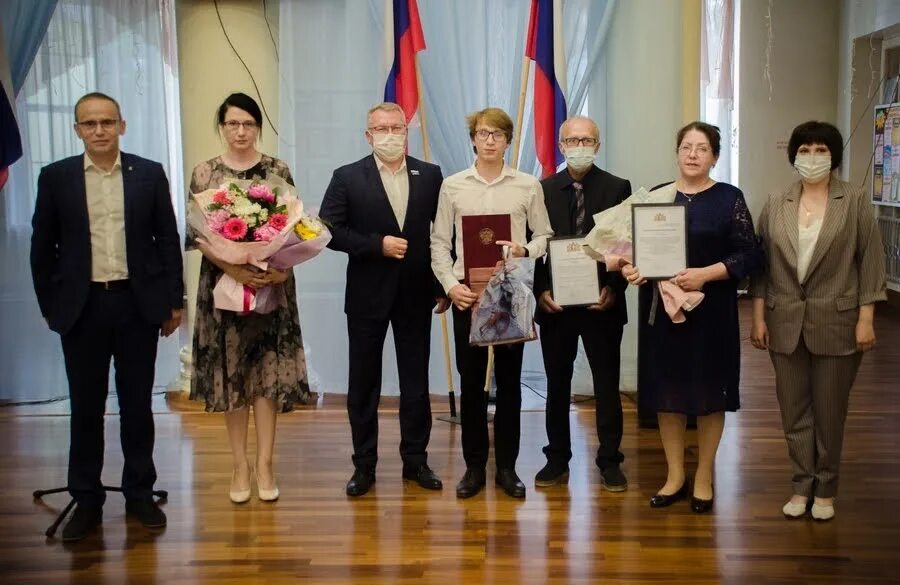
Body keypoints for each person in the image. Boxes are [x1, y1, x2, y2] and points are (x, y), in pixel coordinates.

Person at [30, 92, 183, 541]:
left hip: (137, 306)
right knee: (86, 407)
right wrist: (52, 307)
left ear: (122, 125)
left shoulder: (148, 174)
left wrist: (174, 301)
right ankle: (87, 498)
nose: (99, 131)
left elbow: (166, 240)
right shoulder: (56, 177)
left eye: (107, 122)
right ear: (78, 129)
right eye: (89, 124)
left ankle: (139, 493)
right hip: (83, 309)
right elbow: (42, 250)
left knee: (138, 405)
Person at [622, 121, 762, 513]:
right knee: (668, 395)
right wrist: (634, 269)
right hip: (662, 312)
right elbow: (631, 250)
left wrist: (706, 273)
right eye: (686, 146)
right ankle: (674, 476)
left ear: (714, 156)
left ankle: (703, 476)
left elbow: (750, 254)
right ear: (677, 152)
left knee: (709, 394)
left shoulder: (728, 198)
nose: (693, 154)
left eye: (702, 148)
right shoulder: (657, 197)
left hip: (710, 311)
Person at [749, 121, 886, 521]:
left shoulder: (856, 200)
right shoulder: (776, 202)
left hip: (839, 321)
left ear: (834, 156)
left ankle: (825, 488)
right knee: (793, 411)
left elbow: (871, 261)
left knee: (830, 411)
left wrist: (866, 318)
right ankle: (800, 483)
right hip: (783, 320)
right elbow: (762, 267)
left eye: (821, 150)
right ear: (793, 156)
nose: (812, 157)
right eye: (805, 150)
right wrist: (758, 317)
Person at [188, 92, 311, 504]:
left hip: (270, 282)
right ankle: (239, 465)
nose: (240, 132)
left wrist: (277, 267)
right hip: (224, 286)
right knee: (233, 375)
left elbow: (294, 226)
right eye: (232, 124)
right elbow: (198, 234)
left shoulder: (276, 169)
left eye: (248, 124)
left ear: (258, 127)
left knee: (265, 375)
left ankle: (265, 463)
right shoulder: (205, 173)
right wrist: (234, 267)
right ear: (222, 127)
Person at [319, 102, 444, 496]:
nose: (390, 135)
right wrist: (377, 245)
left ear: (407, 133)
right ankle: (364, 465)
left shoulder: (430, 175)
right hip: (367, 297)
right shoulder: (347, 177)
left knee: (416, 383)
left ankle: (416, 462)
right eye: (381, 129)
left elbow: (442, 236)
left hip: (416, 295)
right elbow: (329, 231)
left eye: (397, 128)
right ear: (367, 135)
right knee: (364, 385)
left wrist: (442, 285)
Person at [431, 107, 553, 499]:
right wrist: (450, 285)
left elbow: (545, 236)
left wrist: (523, 248)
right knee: (471, 386)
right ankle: (472, 468)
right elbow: (439, 244)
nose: (489, 140)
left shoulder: (527, 185)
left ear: (508, 140)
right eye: (482, 133)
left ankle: (507, 468)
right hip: (468, 295)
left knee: (510, 386)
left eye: (497, 134)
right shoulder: (452, 186)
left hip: (509, 295)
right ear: (472, 138)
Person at [532, 116, 631, 491]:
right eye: (572, 140)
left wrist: (615, 288)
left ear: (598, 145)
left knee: (606, 385)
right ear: (560, 145)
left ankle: (609, 461)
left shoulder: (617, 187)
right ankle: (557, 458)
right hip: (555, 306)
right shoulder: (541, 190)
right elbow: (536, 246)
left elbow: (625, 245)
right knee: (557, 385)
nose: (579, 145)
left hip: (601, 305)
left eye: (587, 139)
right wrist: (541, 291)